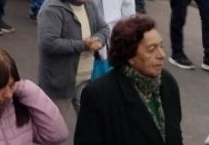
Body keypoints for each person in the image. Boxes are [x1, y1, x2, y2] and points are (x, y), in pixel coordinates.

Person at [75, 15, 183, 145]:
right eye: (151, 49)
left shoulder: (167, 83)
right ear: (129, 55)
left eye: (161, 46)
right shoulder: (99, 95)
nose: (161, 55)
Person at [37, 0, 110, 128]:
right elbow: (48, 42)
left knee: (91, 127)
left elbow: (104, 28)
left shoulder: (88, 3)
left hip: (86, 78)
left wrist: (98, 39)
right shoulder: (52, 9)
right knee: (54, 130)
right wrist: (83, 45)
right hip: (60, 81)